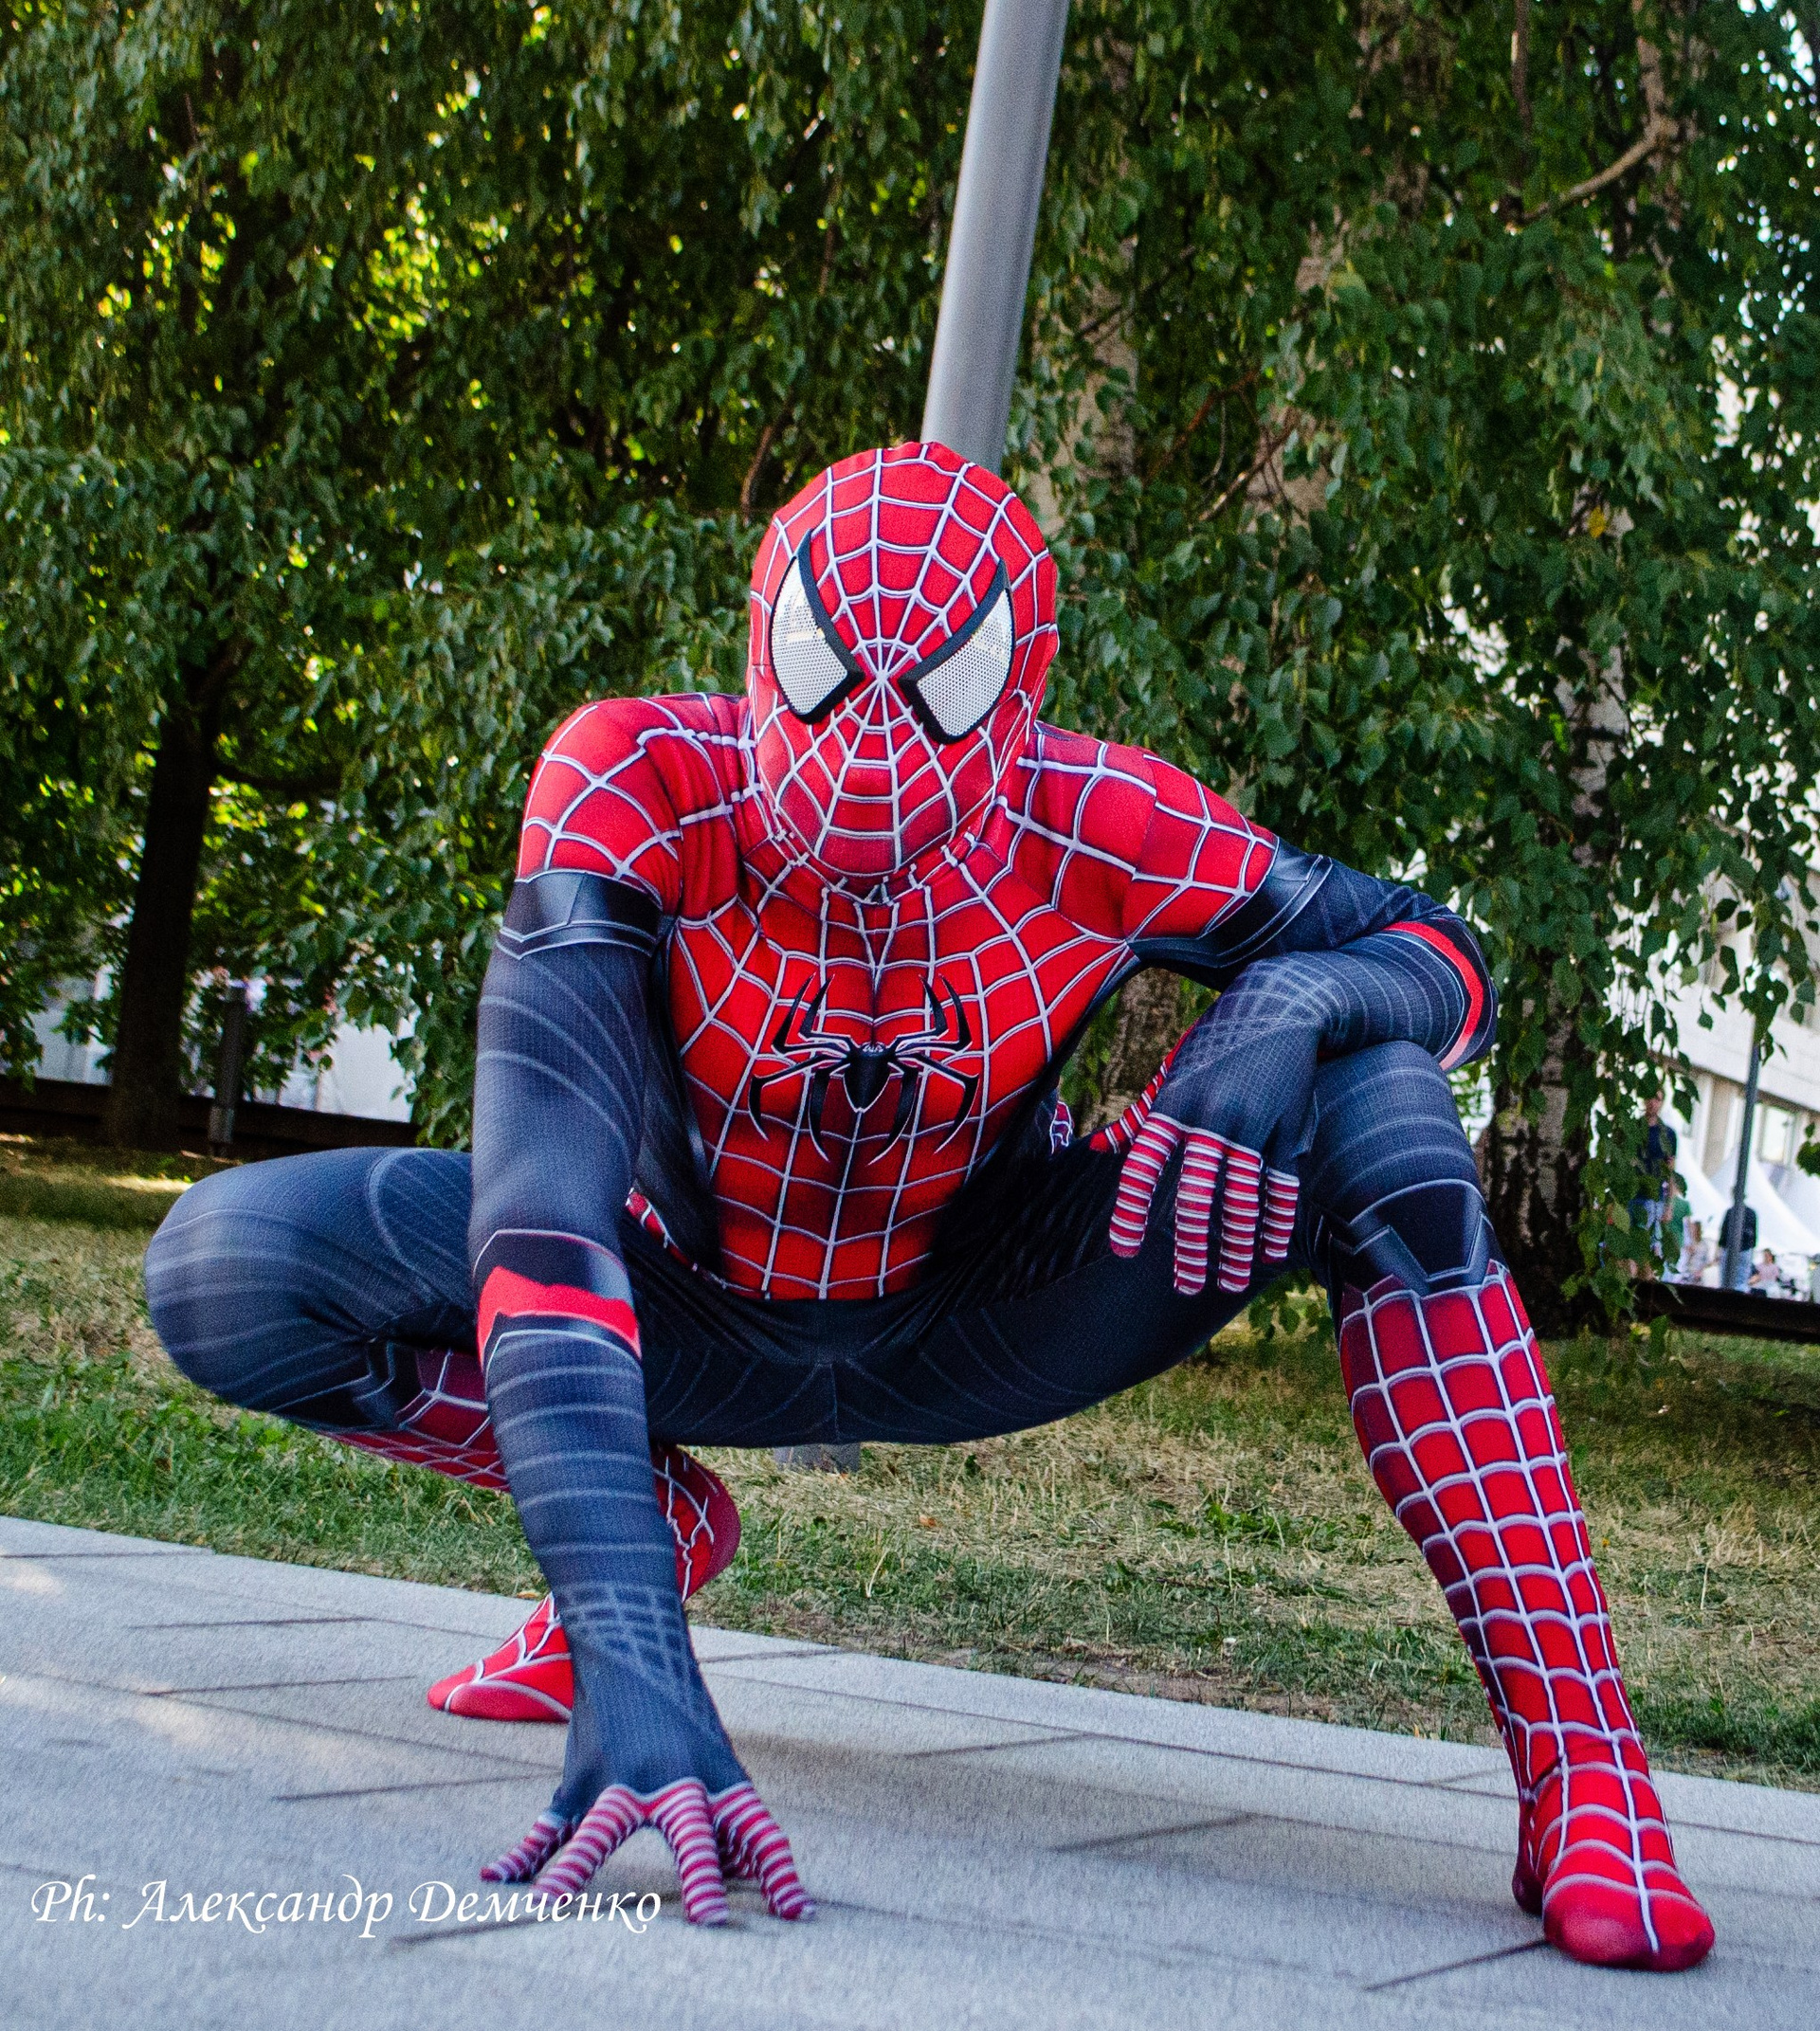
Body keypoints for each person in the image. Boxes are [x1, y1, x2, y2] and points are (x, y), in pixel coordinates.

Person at [142, 443, 1713, 1970]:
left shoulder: (1095, 814)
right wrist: (632, 1650)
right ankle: (662, 1521)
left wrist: (1287, 1003)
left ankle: (1585, 1769)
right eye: (829, 674)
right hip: (685, 1300)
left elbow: (1447, 956)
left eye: (935, 689)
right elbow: (542, 1212)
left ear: (1016, 692)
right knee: (226, 1267)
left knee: (1385, 1096)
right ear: (762, 641)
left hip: (990, 1303)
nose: (871, 745)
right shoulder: (635, 776)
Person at [1628, 1096, 1679, 1274]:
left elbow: (1670, 1171)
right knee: (1627, 1251)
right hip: (1629, 1195)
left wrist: (1669, 1205)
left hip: (1652, 1197)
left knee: (1646, 1251)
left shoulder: (1667, 1134)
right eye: (1649, 1098)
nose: (1652, 1103)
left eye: (1657, 1099)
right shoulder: (1631, 1127)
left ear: (1662, 1102)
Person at [1673, 1219, 1714, 1285]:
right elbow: (1680, 1260)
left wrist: (1700, 1271)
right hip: (1684, 1275)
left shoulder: (1704, 1245)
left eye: (1694, 1228)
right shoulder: (1685, 1243)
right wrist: (1686, 1252)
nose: (1691, 1230)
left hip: (1696, 1276)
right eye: (1690, 1228)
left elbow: (1707, 1261)